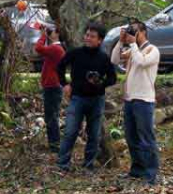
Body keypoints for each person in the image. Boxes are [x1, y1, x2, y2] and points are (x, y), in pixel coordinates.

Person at [56, 22, 117, 172]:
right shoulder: (75, 53)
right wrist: (65, 84)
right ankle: (62, 164)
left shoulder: (103, 58)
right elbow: (60, 66)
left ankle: (88, 165)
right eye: (87, 35)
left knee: (94, 134)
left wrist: (100, 83)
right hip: (77, 98)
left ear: (100, 40)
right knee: (70, 131)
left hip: (97, 99)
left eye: (92, 36)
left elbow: (113, 78)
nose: (88, 38)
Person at [111, 20, 161, 184]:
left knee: (146, 137)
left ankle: (151, 173)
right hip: (130, 99)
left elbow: (141, 62)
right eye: (130, 30)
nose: (132, 34)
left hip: (144, 100)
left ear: (143, 32)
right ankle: (137, 169)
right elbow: (114, 60)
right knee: (131, 136)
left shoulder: (153, 50)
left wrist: (132, 44)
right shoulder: (134, 50)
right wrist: (120, 41)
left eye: (135, 31)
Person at [33, 22, 66, 153]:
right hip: (52, 86)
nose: (49, 33)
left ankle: (55, 145)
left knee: (51, 117)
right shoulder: (56, 48)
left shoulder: (56, 49)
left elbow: (38, 48)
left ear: (57, 34)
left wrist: (42, 36)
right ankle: (54, 144)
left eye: (52, 31)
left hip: (52, 86)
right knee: (51, 116)